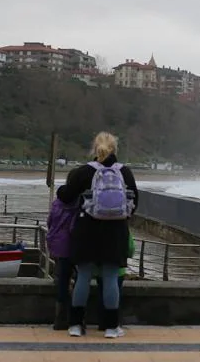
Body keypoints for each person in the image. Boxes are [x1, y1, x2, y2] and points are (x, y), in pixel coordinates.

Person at [57, 131, 139, 338]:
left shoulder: (84, 172)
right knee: (111, 277)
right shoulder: (125, 172)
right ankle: (111, 327)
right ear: (115, 149)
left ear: (95, 149)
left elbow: (66, 197)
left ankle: (76, 325)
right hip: (116, 231)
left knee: (83, 276)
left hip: (87, 230)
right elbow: (134, 203)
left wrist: (61, 190)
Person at [46, 169, 80, 330]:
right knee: (80, 281)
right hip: (75, 247)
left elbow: (50, 221)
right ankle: (77, 319)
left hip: (58, 247)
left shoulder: (57, 202)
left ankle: (59, 319)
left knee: (61, 281)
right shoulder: (79, 202)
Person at [95, 230, 135, 331]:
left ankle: (102, 322)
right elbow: (130, 249)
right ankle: (113, 323)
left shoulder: (97, 223)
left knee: (101, 294)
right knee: (115, 294)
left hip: (100, 268)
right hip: (118, 269)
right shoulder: (122, 225)